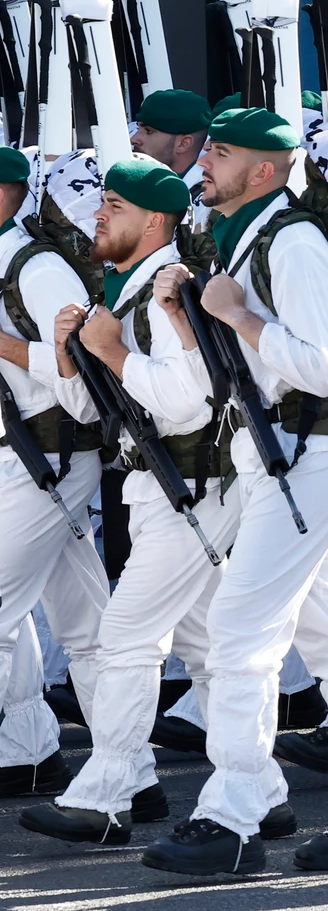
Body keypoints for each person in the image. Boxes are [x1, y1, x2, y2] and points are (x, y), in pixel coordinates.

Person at [141, 108, 328, 874]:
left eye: (221, 154)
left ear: (263, 171)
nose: (205, 162)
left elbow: (320, 366)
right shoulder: (253, 236)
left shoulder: (293, 241)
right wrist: (191, 318)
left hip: (311, 452)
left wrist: (233, 313)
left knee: (240, 627)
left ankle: (232, 811)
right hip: (285, 455)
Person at [21, 157, 262, 846]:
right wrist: (74, 357)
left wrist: (112, 351)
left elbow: (188, 401)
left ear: (154, 220)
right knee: (205, 642)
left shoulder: (164, 292)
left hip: (191, 483)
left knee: (125, 635)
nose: (98, 216)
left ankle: (108, 789)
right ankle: (263, 786)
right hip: (158, 487)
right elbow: (92, 409)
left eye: (114, 207)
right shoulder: (122, 293)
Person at [0, 144, 107, 800]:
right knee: (86, 626)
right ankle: (42, 750)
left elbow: (84, 384)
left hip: (50, 459)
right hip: (21, 457)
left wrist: (9, 348)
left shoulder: (36, 270)